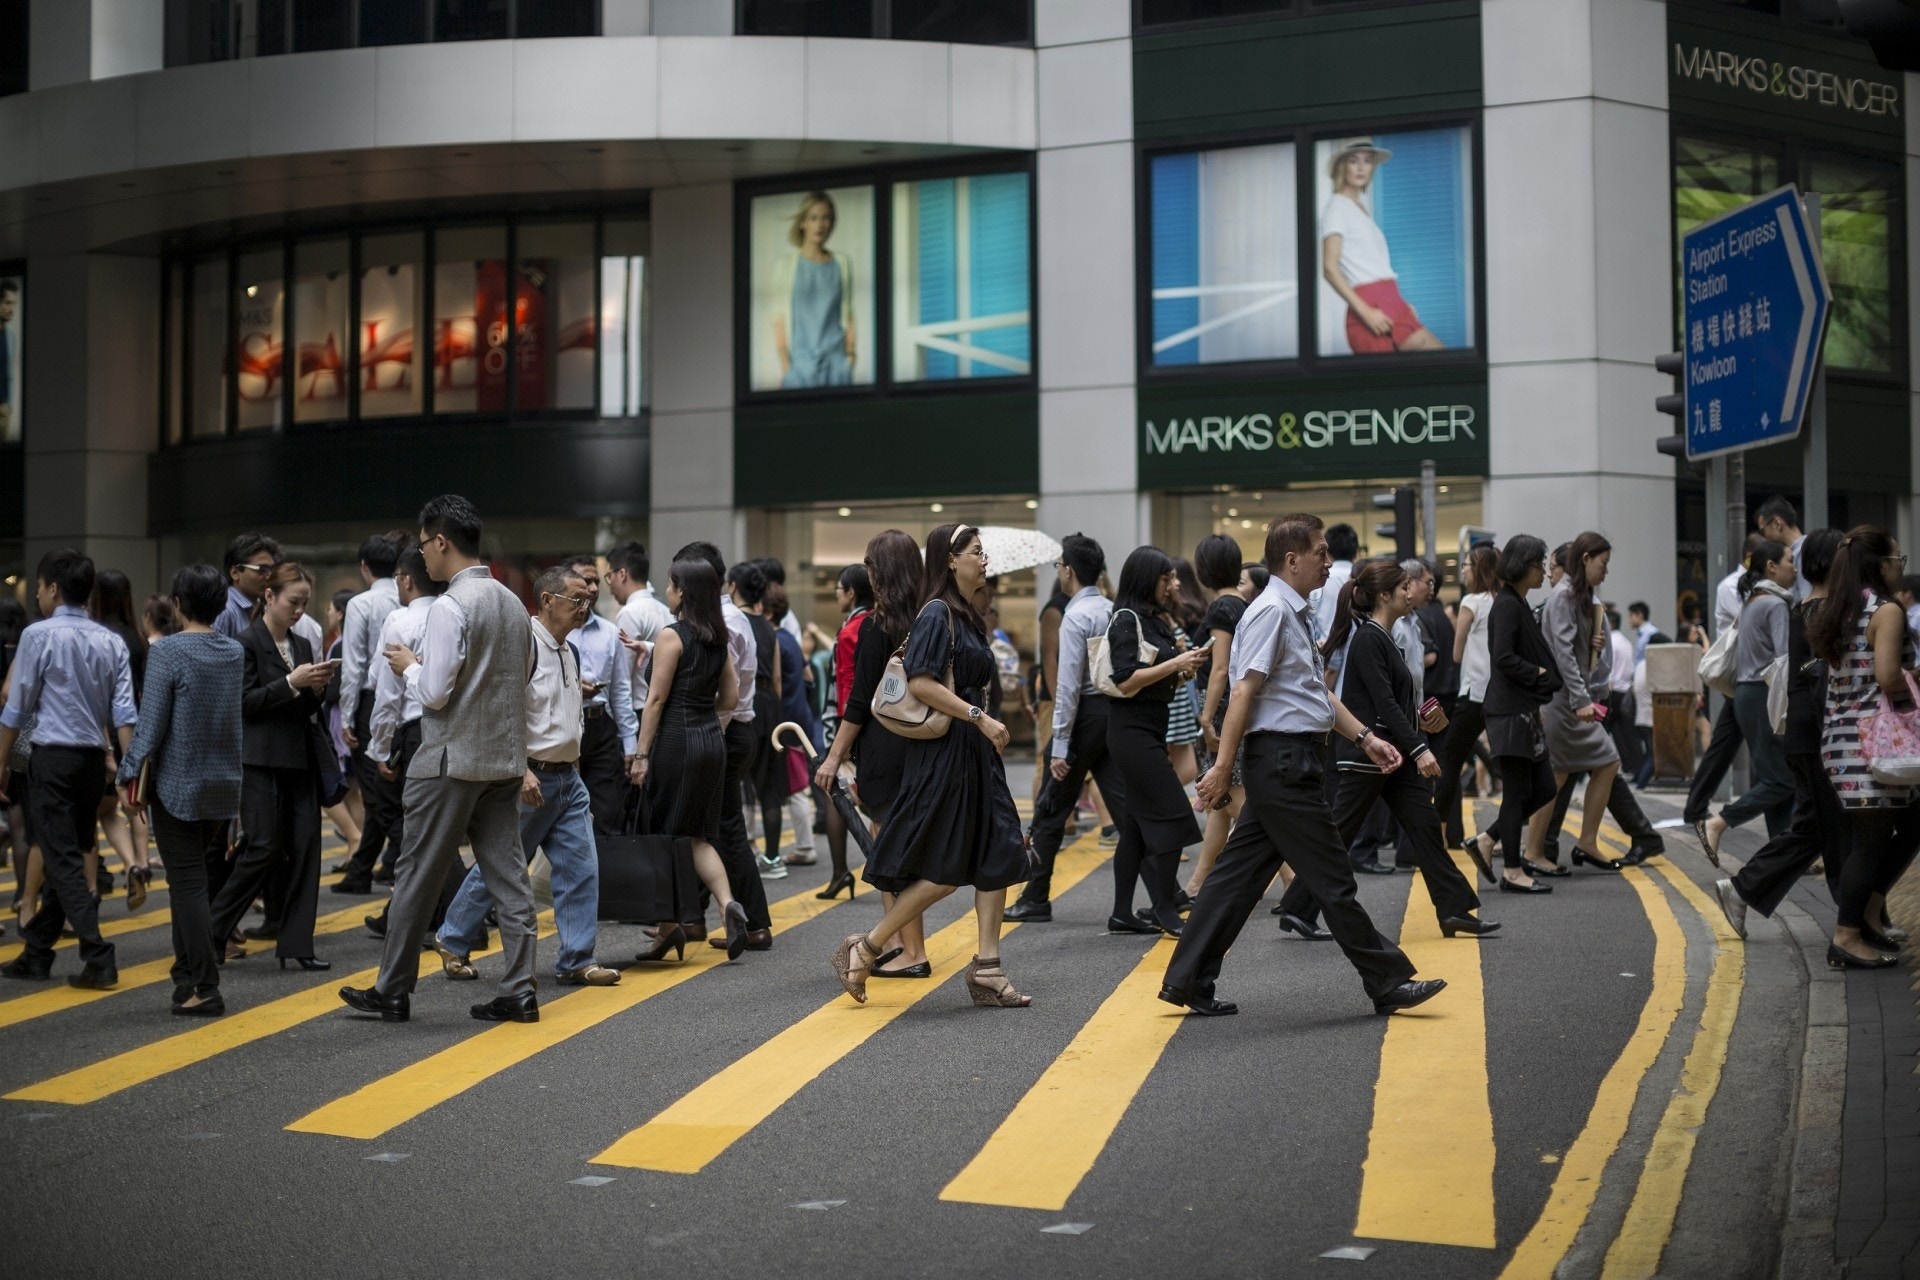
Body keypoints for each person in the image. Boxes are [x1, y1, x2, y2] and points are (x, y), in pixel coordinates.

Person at [1160, 514, 1446, 1018]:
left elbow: (1312, 694)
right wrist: (1224, 767)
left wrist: (1365, 736)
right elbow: (1243, 691)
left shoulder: (1292, 612)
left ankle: (1187, 979)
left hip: (1294, 760)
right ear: (1291, 560)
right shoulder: (1271, 611)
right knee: (1334, 878)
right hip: (1283, 764)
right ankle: (1386, 980)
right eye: (1319, 551)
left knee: (1236, 878)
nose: (1328, 560)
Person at [339, 494, 541, 1025]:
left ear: (442, 541)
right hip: (501, 758)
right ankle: (520, 989)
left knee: (416, 872)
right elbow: (522, 677)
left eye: (425, 544)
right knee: (509, 876)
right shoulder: (514, 603)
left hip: (449, 759)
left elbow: (432, 694)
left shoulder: (452, 606)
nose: (422, 557)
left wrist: (409, 665)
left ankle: (392, 989)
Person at [829, 524, 1035, 1008]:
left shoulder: (968, 615)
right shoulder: (936, 613)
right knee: (945, 867)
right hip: (948, 755)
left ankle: (988, 967)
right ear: (950, 560)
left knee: (998, 855)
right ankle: (868, 945)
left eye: (984, 553)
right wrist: (979, 718)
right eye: (976, 553)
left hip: (976, 755)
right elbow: (921, 682)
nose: (984, 561)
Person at [1275, 560, 1493, 941]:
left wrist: (1421, 723)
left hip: (1391, 755)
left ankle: (1454, 909)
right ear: (1384, 595)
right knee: (1340, 835)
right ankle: (1297, 907)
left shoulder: (1383, 636)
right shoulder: (1369, 639)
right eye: (1405, 587)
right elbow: (1384, 705)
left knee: (1425, 829)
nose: (1412, 594)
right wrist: (1421, 749)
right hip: (1369, 756)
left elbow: (1393, 702)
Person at [435, 567, 618, 988]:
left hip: (568, 779)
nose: (583, 607)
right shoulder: (523, 646)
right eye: (576, 599)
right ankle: (452, 937)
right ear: (548, 600)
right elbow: (503, 713)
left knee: (581, 867)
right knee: (504, 868)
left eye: (587, 599)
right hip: (531, 779)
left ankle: (576, 958)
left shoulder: (567, 651)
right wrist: (520, 770)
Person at [0, 549, 138, 988]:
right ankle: (37, 953)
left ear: (53, 589)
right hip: (93, 764)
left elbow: (15, 708)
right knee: (71, 852)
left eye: (39, 588)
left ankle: (98, 954)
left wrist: (0, 763)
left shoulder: (37, 636)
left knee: (62, 860)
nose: (38, 595)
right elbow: (124, 714)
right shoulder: (111, 640)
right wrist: (128, 767)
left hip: (53, 760)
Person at [115, 564, 244, 1015]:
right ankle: (185, 976)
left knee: (187, 885)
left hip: (177, 784)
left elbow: (149, 728)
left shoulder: (168, 652)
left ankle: (206, 986)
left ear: (178, 604)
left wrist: (126, 775)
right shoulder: (233, 651)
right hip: (223, 785)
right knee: (192, 883)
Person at [1715, 530, 1852, 940]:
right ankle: (1854, 922)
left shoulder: (1795, 606)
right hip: (1816, 730)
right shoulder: (1809, 609)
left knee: (1812, 826)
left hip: (1799, 727)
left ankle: (1742, 889)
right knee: (1834, 826)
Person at [208, 563, 333, 970]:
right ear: (269, 597)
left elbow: (307, 707)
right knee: (263, 847)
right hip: (259, 760)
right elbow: (244, 704)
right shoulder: (245, 643)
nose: (299, 611)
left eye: (304, 604)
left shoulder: (300, 645)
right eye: (293, 602)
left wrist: (318, 689)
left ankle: (297, 944)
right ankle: (212, 929)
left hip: (298, 759)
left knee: (306, 847)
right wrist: (291, 683)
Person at [1807, 525, 1918, 969]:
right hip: (1872, 742)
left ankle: (1867, 915)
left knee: (1898, 825)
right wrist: (1912, 700)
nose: (1900, 568)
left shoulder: (1841, 607)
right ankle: (1847, 937)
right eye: (1898, 560)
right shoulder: (1885, 610)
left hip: (1841, 739)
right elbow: (1889, 676)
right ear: (1880, 564)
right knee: (1870, 840)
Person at [629, 554, 748, 962]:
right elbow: (731, 698)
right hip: (711, 741)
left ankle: (667, 926)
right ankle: (727, 904)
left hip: (676, 743)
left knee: (662, 834)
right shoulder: (718, 639)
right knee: (697, 833)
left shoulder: (672, 635)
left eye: (670, 584)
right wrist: (702, 713)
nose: (666, 591)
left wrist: (641, 754)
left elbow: (656, 698)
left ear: (683, 592)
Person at [813, 531, 923, 971]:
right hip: (922, 744)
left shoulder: (878, 628)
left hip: (883, 747)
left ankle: (910, 951)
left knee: (888, 852)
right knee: (899, 848)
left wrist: (835, 756)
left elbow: (859, 700)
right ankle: (896, 943)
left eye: (871, 566)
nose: (868, 574)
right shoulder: (932, 618)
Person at [1006, 534, 1128, 924]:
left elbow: (1069, 685)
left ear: (1069, 571)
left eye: (1059, 565)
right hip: (1112, 715)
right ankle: (1155, 895)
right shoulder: (1112, 609)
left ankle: (1036, 896)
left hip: (1083, 720)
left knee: (1051, 808)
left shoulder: (1074, 615)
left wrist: (1059, 744)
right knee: (1125, 809)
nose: (1058, 570)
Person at [1102, 547, 1209, 936]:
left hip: (1150, 728)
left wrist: (1183, 670)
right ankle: (1164, 906)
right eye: (1167, 578)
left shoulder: (1157, 619)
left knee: (1133, 828)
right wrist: (1173, 664)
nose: (1174, 584)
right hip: (1129, 732)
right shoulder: (1125, 620)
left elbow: (1157, 679)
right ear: (1148, 580)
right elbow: (1125, 680)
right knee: (1174, 816)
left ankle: (1121, 913)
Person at [679, 542, 774, 949]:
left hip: (726, 730)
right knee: (707, 826)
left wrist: (706, 733)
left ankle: (754, 924)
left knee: (725, 828)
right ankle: (696, 919)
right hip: (733, 730)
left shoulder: (724, 622)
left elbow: (724, 694)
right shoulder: (728, 618)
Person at [1467, 535, 1563, 893]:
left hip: (1522, 710)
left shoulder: (1518, 602)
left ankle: (1488, 840)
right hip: (1509, 711)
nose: (1542, 570)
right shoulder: (1507, 605)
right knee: (1519, 792)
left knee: (1543, 788)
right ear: (1523, 565)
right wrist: (1538, 673)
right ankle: (1511, 870)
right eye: (1539, 563)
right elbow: (1503, 657)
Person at [360, 548, 446, 940]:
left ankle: (452, 908)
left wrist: (380, 748)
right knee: (433, 823)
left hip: (413, 733)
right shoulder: (451, 614)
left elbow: (387, 694)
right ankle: (407, 912)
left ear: (406, 579)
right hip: (448, 729)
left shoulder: (401, 618)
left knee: (406, 822)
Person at [1698, 540, 1797, 859]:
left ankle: (1782, 852)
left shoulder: (1753, 601)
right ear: (1771, 567)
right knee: (1782, 780)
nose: (1795, 568)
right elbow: (1784, 660)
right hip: (1764, 693)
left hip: (1745, 694)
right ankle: (1718, 823)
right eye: (1789, 561)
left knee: (1775, 776)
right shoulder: (1776, 604)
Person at [1534, 532, 1625, 873]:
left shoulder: (1576, 596)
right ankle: (1529, 849)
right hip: (1565, 701)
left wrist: (1593, 639)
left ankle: (1563, 845)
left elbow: (1573, 647)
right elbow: (1564, 655)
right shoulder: (1564, 596)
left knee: (1571, 771)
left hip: (1568, 699)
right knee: (1563, 774)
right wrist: (1580, 700)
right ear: (1586, 559)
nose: (1606, 571)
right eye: (1603, 564)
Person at [1188, 538, 1264, 899]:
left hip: (1218, 709)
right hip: (1237, 706)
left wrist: (1206, 720)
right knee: (1219, 800)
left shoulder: (1221, 608)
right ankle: (1198, 883)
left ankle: (1294, 877)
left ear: (1205, 570)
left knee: (1233, 796)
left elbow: (1220, 669)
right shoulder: (1244, 604)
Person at [1320, 137, 1443, 354]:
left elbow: (1373, 266)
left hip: (1389, 301)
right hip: (1370, 309)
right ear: (1342, 166)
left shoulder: (1359, 209)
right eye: (1353, 161)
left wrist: (1399, 303)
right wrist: (1366, 311)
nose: (1360, 167)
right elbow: (1329, 268)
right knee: (1446, 368)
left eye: (1367, 161)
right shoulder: (1337, 207)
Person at [1686, 532, 1771, 839]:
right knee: (1763, 754)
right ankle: (1699, 808)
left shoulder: (1757, 587)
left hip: (1751, 676)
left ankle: (1695, 806)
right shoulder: (1732, 586)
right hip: (1742, 674)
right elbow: (1749, 623)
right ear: (1750, 556)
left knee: (1726, 742)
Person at [336, 533, 404, 892]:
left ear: (364, 567)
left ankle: (404, 855)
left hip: (370, 701)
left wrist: (347, 717)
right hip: (410, 699)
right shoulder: (407, 595)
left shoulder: (361, 604)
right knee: (388, 783)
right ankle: (363, 869)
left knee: (376, 791)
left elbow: (354, 665)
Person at [557, 553, 637, 842]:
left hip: (600, 726)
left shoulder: (609, 632)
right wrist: (572, 685)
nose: (591, 588)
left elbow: (620, 692)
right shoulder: (552, 633)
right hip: (564, 727)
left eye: (595, 581)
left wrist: (631, 746)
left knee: (607, 812)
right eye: (584, 580)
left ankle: (604, 882)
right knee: (563, 814)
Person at [91, 568, 154, 909]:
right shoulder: (136, 637)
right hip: (134, 731)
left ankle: (103, 880)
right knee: (126, 807)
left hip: (102, 731)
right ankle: (139, 863)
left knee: (96, 812)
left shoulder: (98, 638)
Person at [1436, 544, 1498, 849]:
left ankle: (1439, 833)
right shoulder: (1505, 601)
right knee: (1503, 759)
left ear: (1481, 570)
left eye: (1467, 565)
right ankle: (1503, 834)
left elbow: (1457, 654)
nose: (1463, 570)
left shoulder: (1471, 602)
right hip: (1500, 694)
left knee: (1449, 761)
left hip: (1473, 692)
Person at [728, 561, 787, 876]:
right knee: (769, 789)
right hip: (771, 706)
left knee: (733, 784)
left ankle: (736, 855)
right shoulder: (768, 625)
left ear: (733, 588)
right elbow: (777, 678)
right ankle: (774, 858)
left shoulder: (735, 623)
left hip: (745, 705)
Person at [816, 563, 872, 894]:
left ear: (851, 593)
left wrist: (841, 742)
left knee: (834, 792)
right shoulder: (874, 621)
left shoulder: (852, 630)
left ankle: (841, 872)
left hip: (847, 724)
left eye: (839, 589)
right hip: (866, 721)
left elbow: (849, 689)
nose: (837, 595)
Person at [772, 191, 857, 389]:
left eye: (826, 218)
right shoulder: (785, 266)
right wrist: (785, 363)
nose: (819, 225)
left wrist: (850, 356)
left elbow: (848, 312)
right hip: (800, 365)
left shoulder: (841, 263)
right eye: (813, 218)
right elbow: (778, 318)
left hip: (836, 364)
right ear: (803, 222)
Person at [764, 582, 821, 866]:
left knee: (796, 786)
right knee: (798, 783)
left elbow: (777, 683)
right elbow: (808, 677)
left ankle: (806, 847)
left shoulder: (773, 640)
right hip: (800, 717)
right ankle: (804, 845)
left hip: (784, 721)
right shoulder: (790, 638)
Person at [607, 540, 675, 714]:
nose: (610, 586)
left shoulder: (629, 613)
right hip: (667, 706)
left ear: (622, 574)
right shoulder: (665, 609)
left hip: (641, 709)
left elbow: (623, 676)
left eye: (609, 576)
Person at [215, 531, 283, 640]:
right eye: (262, 570)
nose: (269, 576)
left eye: (272, 570)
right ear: (235, 573)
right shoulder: (224, 610)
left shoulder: (262, 608)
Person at [1308, 522, 1359, 644]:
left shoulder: (1319, 579)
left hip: (1327, 650)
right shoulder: (1363, 578)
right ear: (1356, 552)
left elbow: (1310, 620)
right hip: (1361, 649)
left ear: (1327, 552)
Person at [1755, 495, 1809, 601]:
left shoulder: (1802, 551)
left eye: (1763, 532)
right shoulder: (1803, 547)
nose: (1764, 538)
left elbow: (1807, 599)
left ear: (1777, 524)